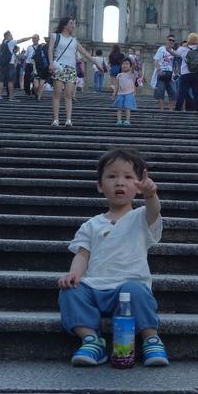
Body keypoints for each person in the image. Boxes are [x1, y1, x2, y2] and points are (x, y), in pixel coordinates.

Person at [57, 146, 168, 367]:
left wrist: (151, 194)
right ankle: (91, 340)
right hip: (94, 286)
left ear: (137, 185)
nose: (120, 182)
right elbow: (82, 254)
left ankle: (151, 339)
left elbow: (154, 210)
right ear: (100, 186)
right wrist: (74, 274)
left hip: (128, 285)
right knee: (70, 291)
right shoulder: (91, 224)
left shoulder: (140, 217)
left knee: (137, 291)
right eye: (112, 176)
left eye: (128, 177)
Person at [48, 17, 98, 127]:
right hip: (59, 67)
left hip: (71, 69)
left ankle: (68, 119)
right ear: (65, 25)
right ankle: (56, 119)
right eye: (71, 23)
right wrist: (51, 63)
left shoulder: (74, 41)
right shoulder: (55, 36)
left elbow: (85, 53)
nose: (73, 26)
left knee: (69, 94)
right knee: (57, 94)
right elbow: (50, 51)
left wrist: (97, 63)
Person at [0, 30, 34, 101]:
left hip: (1, 65)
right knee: (10, 81)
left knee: (1, 81)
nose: (12, 36)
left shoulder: (2, 44)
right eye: (11, 35)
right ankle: (11, 97)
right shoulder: (11, 42)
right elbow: (22, 40)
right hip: (10, 65)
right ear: (7, 36)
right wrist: (31, 37)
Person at [174, 33, 198, 112]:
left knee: (182, 93)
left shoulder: (183, 49)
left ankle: (177, 109)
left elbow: (175, 54)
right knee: (197, 94)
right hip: (196, 74)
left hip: (185, 74)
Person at [153, 35, 177, 111]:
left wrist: (174, 72)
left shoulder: (173, 51)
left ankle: (171, 109)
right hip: (162, 71)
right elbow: (156, 60)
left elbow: (174, 63)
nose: (171, 42)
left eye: (173, 41)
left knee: (173, 91)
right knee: (160, 91)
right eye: (170, 40)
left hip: (170, 73)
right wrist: (159, 70)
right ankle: (161, 109)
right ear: (167, 40)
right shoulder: (161, 49)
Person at [113, 57, 137, 126]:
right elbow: (117, 85)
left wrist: (134, 92)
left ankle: (127, 120)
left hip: (129, 93)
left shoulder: (132, 74)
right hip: (120, 94)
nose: (125, 65)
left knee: (127, 108)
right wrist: (114, 93)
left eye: (127, 64)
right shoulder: (119, 75)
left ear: (130, 65)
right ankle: (119, 120)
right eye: (123, 64)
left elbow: (135, 84)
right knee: (119, 108)